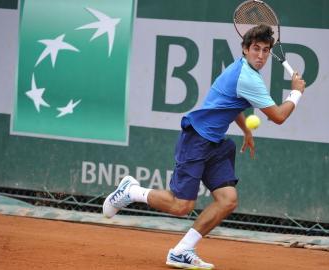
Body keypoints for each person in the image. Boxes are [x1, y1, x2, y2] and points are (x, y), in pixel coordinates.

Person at [102, 24, 305, 270]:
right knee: (181, 206)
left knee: (227, 200)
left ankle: (182, 250)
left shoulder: (245, 71)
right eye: (255, 49)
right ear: (245, 49)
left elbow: (230, 103)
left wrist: (245, 130)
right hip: (197, 140)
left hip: (216, 144)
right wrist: (295, 93)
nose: (260, 55)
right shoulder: (248, 77)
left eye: (265, 50)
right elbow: (278, 117)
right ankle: (131, 192)